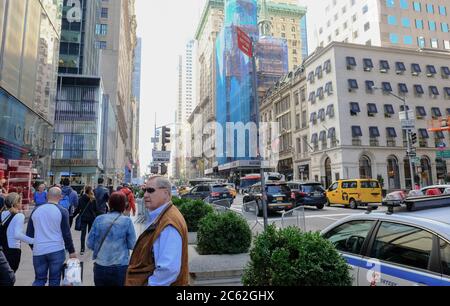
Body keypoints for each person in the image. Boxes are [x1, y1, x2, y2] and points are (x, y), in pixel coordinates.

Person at [125, 176, 189, 286]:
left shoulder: (169, 223)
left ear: (166, 193)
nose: (145, 195)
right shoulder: (163, 216)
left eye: (150, 190)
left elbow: (169, 269)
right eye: (144, 190)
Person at [26, 187, 77, 286]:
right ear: (60, 197)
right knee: (54, 279)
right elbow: (66, 234)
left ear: (47, 196)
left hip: (39, 250)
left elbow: (29, 233)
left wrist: (34, 247)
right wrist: (71, 251)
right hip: (56, 249)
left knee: (39, 279)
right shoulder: (62, 211)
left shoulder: (36, 210)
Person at [87, 192, 136, 286]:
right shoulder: (127, 221)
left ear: (109, 204)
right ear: (123, 205)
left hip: (100, 265)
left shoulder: (99, 219)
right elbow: (132, 244)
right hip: (120, 266)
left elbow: (89, 243)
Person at [0, 193, 34, 273]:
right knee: (9, 277)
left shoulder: (2, 214)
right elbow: (17, 234)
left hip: (2, 249)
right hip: (12, 250)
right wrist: (33, 240)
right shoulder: (19, 216)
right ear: (16, 203)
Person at [73, 186, 99, 255]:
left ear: (85, 190)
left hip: (83, 218)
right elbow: (96, 209)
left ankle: (82, 249)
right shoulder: (93, 199)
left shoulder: (81, 198)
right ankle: (90, 246)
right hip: (91, 218)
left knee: (83, 234)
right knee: (90, 233)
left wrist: (73, 216)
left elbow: (78, 209)